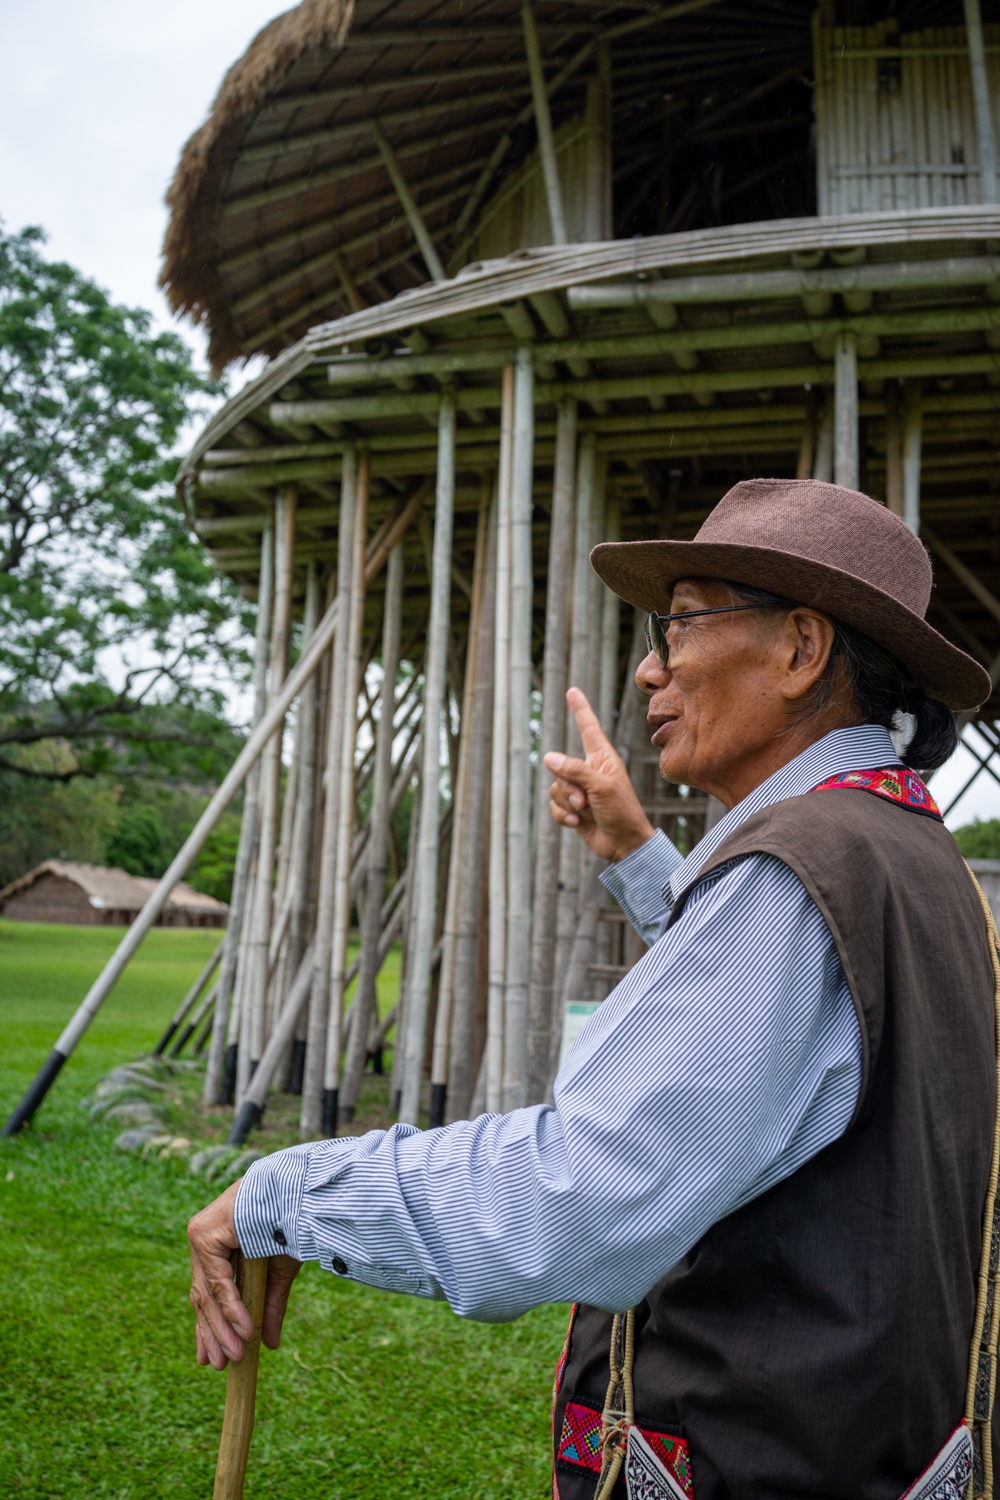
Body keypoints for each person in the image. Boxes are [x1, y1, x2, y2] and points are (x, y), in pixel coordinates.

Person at [188, 479, 998, 1500]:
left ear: (800, 649)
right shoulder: (915, 855)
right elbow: (795, 1056)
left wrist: (292, 1193)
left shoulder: (796, 869)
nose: (649, 666)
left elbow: (579, 1195)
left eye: (683, 623)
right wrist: (646, 860)